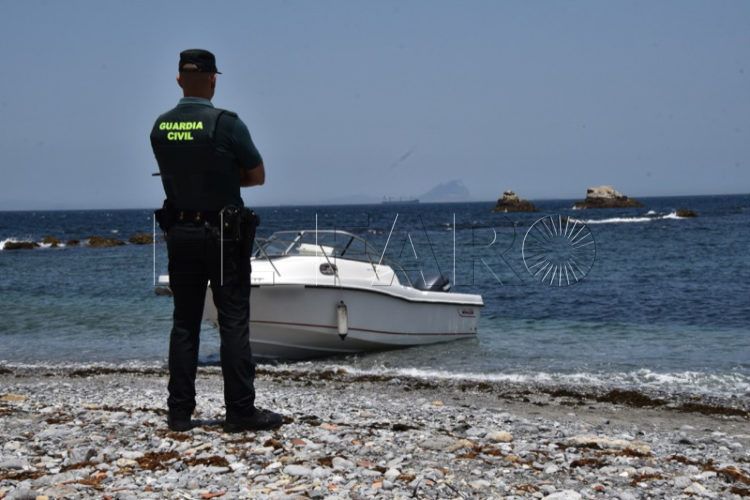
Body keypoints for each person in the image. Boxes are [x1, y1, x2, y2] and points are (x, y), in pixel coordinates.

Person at [150, 49, 282, 433]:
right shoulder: (226, 124)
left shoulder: (160, 127)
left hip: (181, 233)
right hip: (224, 236)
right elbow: (256, 176)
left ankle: (179, 413)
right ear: (213, 80)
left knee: (185, 323)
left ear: (178, 80)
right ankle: (240, 412)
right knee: (233, 322)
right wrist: (225, 178)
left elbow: (178, 175)